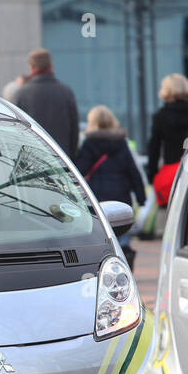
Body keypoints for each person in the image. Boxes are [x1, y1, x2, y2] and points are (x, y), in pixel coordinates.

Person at [73, 106, 146, 266]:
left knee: (102, 234)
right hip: (121, 196)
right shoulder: (122, 143)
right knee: (123, 232)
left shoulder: (89, 144)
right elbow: (133, 171)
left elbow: (80, 170)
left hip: (98, 196)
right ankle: (125, 261)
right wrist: (141, 198)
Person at [145, 73, 188, 225]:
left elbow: (153, 148)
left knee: (171, 215)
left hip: (170, 173)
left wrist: (152, 174)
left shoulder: (160, 116)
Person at [13, 48, 79, 160]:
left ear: (31, 67)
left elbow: (17, 131)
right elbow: (74, 130)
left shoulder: (22, 94)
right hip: (62, 159)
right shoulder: (66, 92)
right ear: (51, 66)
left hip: (32, 158)